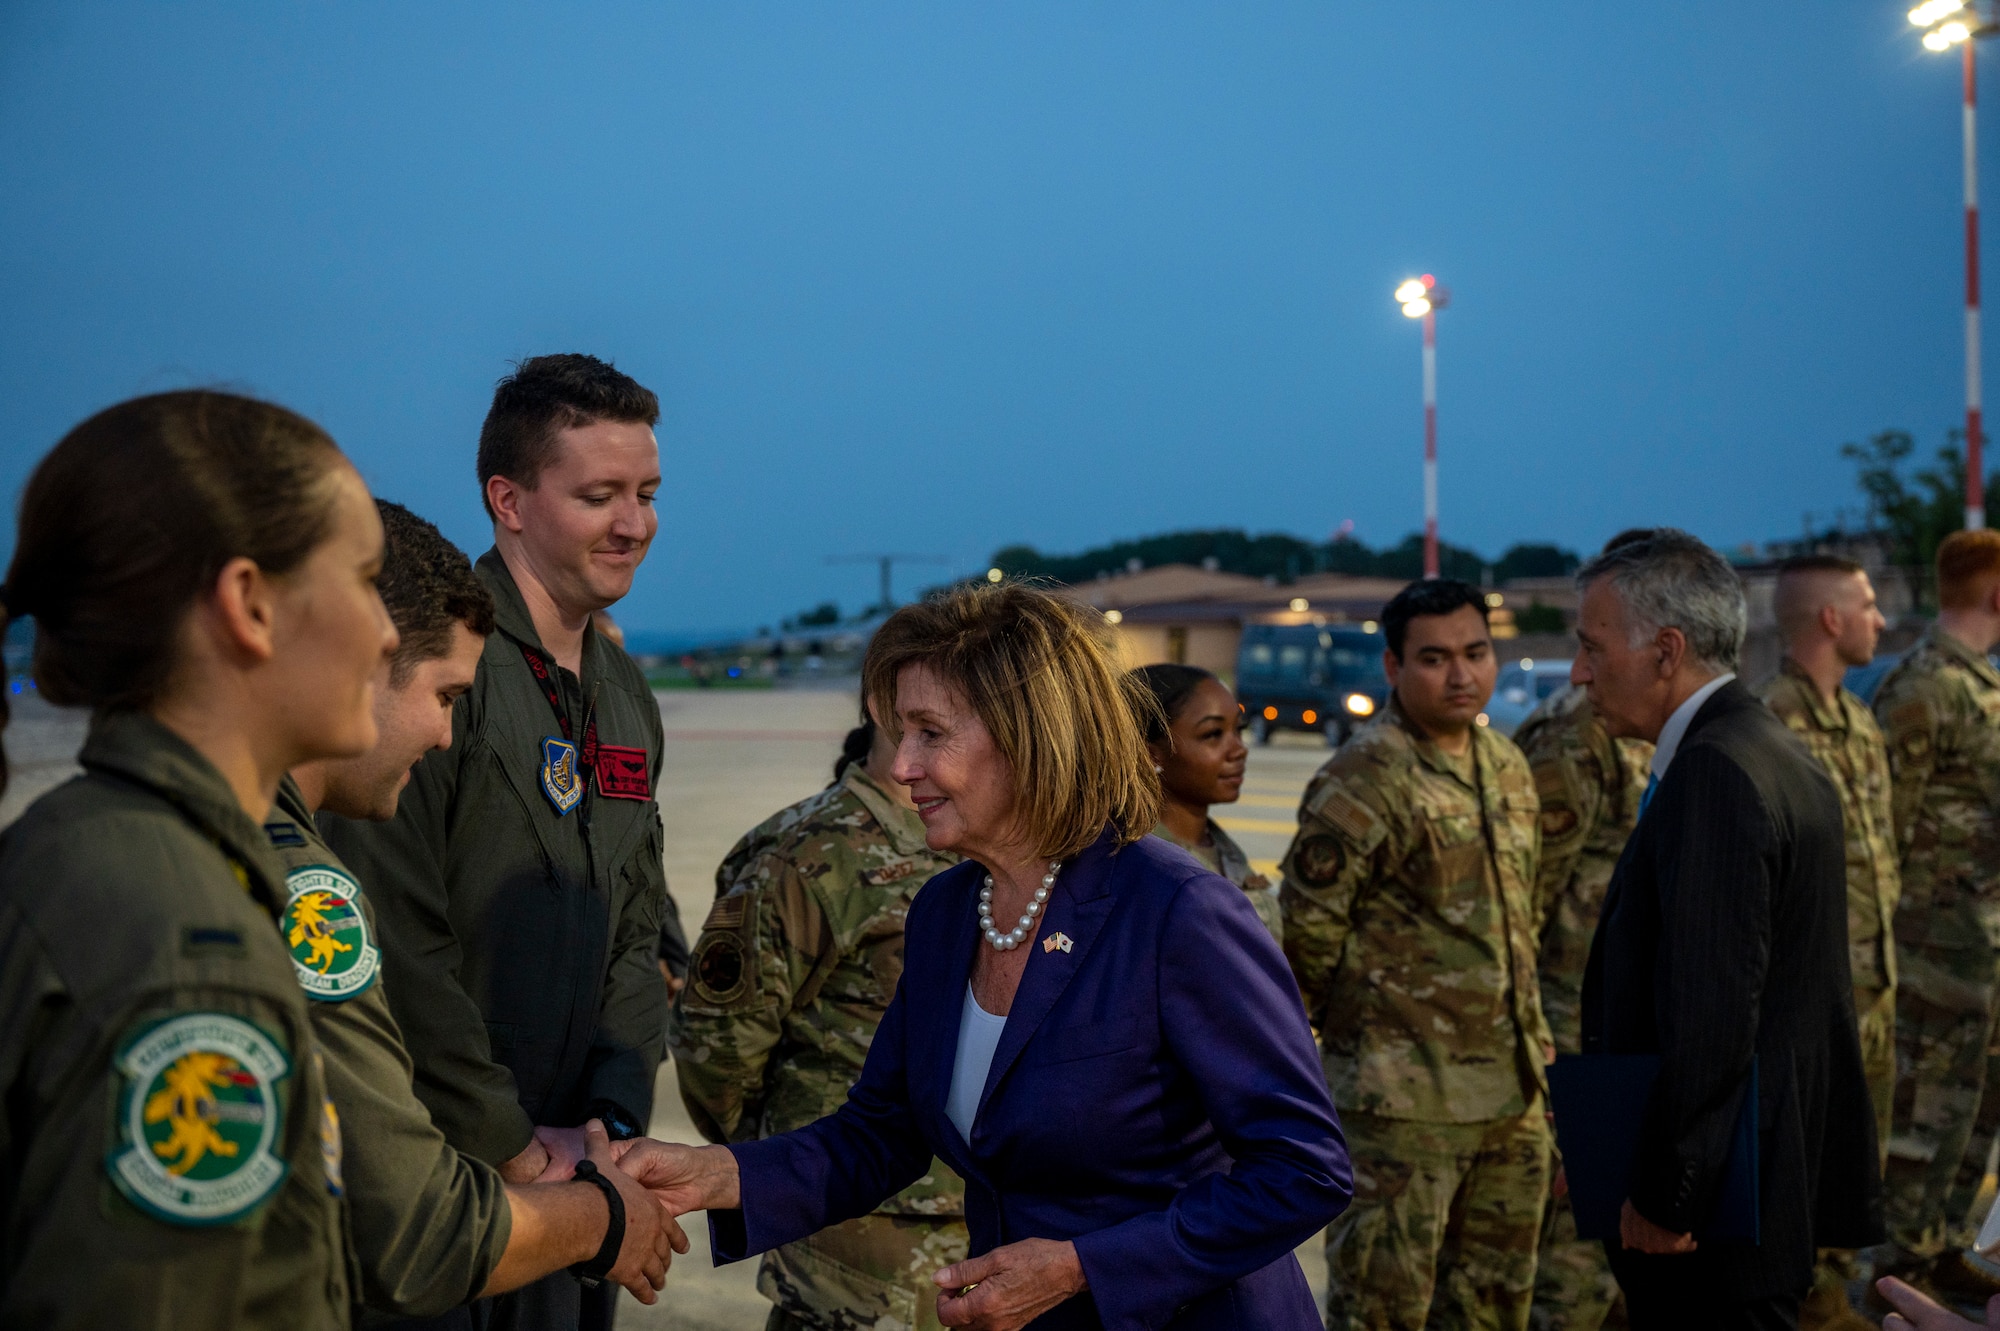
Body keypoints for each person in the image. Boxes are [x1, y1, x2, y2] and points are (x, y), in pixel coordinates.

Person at [0, 392, 650, 1328]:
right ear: (249, 607)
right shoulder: (191, 925)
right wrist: (603, 1212)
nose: (390, 630)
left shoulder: (94, 846)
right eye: (358, 581)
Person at [618, 582, 1352, 1330]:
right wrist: (715, 1173)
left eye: (930, 733)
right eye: (901, 733)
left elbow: (1305, 1170)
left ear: (1026, 735)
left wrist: (1080, 1265)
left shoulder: (1179, 913)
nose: (902, 766)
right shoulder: (947, 911)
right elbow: (882, 1131)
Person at [322, 354, 686, 1331]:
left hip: (579, 1183)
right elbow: (387, 937)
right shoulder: (434, 669)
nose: (634, 522)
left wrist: (608, 1117)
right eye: (599, 493)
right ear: (509, 499)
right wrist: (517, 1144)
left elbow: (637, 912)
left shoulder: (624, 693)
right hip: (437, 1182)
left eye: (646, 492)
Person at [1575, 528, 1882, 1329]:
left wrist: (1666, 1192)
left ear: (1666, 650)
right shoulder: (1770, 749)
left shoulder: (1716, 772)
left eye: (1592, 646)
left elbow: (1713, 1014)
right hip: (1757, 1181)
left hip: (1715, 1210)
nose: (1579, 671)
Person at [1279, 577, 1553, 1331]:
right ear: (1395, 667)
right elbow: (1306, 938)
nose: (1461, 674)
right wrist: (1371, 1042)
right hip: (1402, 1110)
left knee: (1495, 1308)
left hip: (1512, 1098)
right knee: (1383, 1313)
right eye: (1435, 658)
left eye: (1477, 652)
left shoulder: (1506, 764)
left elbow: (1524, 924)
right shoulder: (1364, 777)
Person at [671, 707, 967, 1330]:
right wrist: (780, 1165)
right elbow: (716, 1047)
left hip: (976, 1227)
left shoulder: (983, 841)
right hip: (855, 1241)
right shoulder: (808, 852)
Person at [1756, 555, 1900, 1330]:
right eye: (1869, 605)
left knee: (1854, 1168)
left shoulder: (1860, 719)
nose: (1881, 620)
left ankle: (1835, 1300)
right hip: (1810, 1000)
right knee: (1799, 1178)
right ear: (1831, 620)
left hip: (1872, 989)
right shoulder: (1771, 722)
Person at [1872, 529, 2000, 1291]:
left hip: (1981, 944)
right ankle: (1904, 1266)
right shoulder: (1923, 685)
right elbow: (1886, 825)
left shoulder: (1979, 682)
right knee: (1924, 1115)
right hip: (1931, 949)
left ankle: (1948, 1244)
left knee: (1978, 1105)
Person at [1517, 680, 1652, 1331]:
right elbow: (1527, 904)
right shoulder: (1577, 733)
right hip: (1576, 1037)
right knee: (1575, 1261)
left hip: (1626, 1035)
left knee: (1621, 1259)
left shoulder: (1654, 722)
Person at [1129, 663, 1282, 943]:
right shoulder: (1143, 869)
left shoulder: (1221, 850)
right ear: (1152, 755)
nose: (1239, 749)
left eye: (1239, 729)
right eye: (1213, 734)